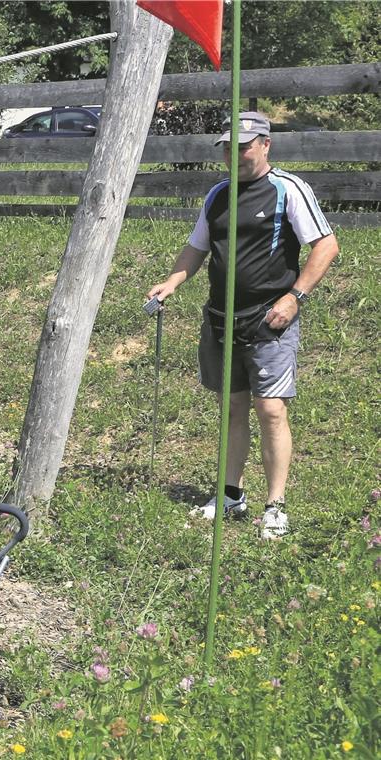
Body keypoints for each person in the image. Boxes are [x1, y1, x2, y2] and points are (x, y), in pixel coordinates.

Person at [146, 111, 339, 539]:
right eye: (228, 147)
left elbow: (326, 244)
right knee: (233, 408)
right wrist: (173, 281)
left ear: (266, 144)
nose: (235, 154)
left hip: (269, 320)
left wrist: (294, 297)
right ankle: (231, 494)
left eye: (245, 146)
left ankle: (276, 505)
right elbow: (196, 248)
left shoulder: (288, 189)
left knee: (270, 410)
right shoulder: (219, 194)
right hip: (220, 319)